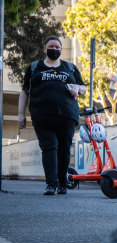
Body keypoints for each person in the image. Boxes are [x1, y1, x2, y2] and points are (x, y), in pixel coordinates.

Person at [18, 36, 87, 195]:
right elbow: (24, 91)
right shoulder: (35, 67)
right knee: (49, 148)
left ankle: (62, 183)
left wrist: (77, 87)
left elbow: (83, 88)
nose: (54, 49)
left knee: (63, 151)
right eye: (51, 46)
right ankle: (51, 184)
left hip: (67, 116)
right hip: (42, 116)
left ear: (61, 50)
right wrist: (21, 114)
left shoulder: (70, 68)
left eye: (57, 47)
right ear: (44, 49)